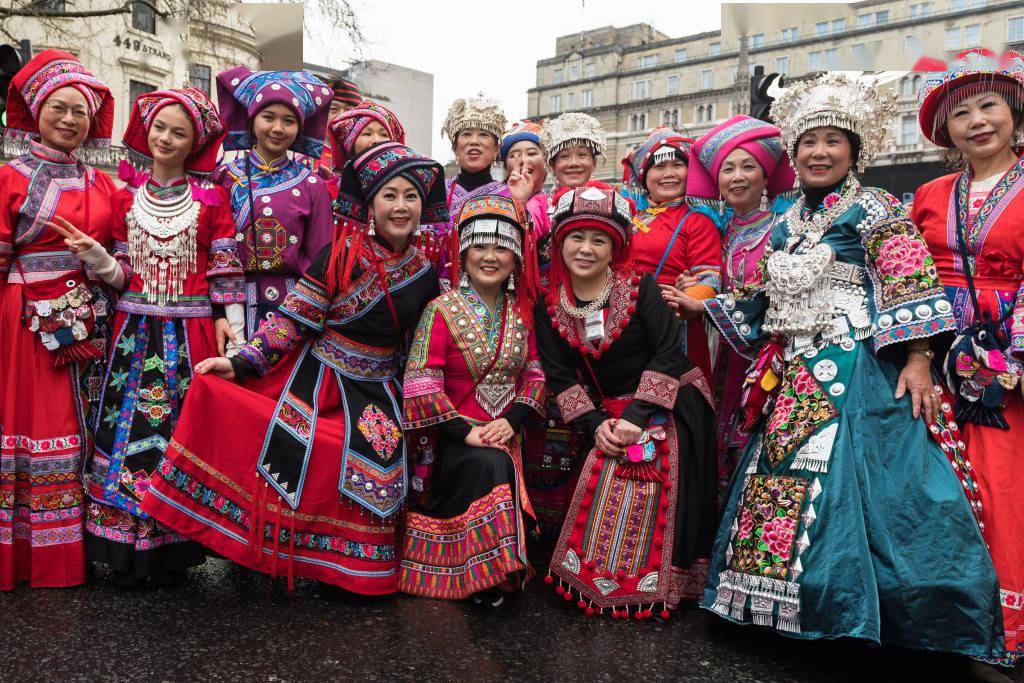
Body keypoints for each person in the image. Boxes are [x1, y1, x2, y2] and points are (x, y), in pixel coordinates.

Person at [700, 72, 1003, 664]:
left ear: (855, 152)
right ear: (794, 154)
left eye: (833, 142)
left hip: (862, 366)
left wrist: (919, 358)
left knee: (887, 487)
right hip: (797, 369)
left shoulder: (876, 208)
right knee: (787, 475)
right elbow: (762, 299)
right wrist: (708, 304)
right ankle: (787, 608)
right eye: (808, 143)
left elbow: (910, 280)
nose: (819, 153)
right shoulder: (788, 222)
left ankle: (875, 619)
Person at [140, 142, 445, 595]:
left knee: (380, 458)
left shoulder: (426, 273)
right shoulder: (339, 255)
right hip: (320, 379)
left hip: (382, 387)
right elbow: (291, 321)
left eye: (411, 197)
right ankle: (310, 561)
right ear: (370, 205)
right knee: (304, 441)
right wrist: (241, 362)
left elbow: (424, 344)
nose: (400, 207)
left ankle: (354, 571)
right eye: (389, 195)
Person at [78, 87, 244, 588]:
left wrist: (231, 328)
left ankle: (172, 549)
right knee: (121, 429)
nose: (167, 138)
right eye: (160, 129)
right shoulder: (124, 196)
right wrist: (98, 258)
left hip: (190, 331)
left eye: (180, 132)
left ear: (195, 141)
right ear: (145, 133)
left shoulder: (212, 197)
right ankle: (122, 546)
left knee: (180, 430)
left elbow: (226, 270)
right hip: (133, 332)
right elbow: (123, 272)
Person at [535, 185, 716, 619]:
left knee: (646, 460)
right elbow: (560, 376)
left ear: (615, 248)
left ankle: (661, 582)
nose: (586, 249)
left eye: (599, 240)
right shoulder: (549, 306)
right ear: (559, 244)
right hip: (609, 411)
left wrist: (637, 416)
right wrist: (594, 423)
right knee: (607, 458)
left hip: (671, 398)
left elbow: (671, 352)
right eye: (576, 238)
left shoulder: (641, 287)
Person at [913, 48, 1024, 667]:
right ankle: (943, 618)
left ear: (1013, 112)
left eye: (989, 106)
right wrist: (918, 354)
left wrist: (1017, 356)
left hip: (1006, 361)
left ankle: (1005, 628)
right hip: (935, 352)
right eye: (962, 113)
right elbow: (906, 279)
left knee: (1004, 484)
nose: (977, 121)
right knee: (936, 484)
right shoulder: (929, 193)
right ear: (946, 129)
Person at [0, 50, 119, 590]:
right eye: (59, 108)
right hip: (25, 322)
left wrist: (102, 264)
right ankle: (32, 557)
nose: (70, 120)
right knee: (39, 425)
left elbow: (125, 258)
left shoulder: (106, 186)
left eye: (81, 113)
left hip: (91, 321)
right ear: (36, 110)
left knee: (84, 427)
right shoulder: (8, 178)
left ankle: (77, 551)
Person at [400, 194, 545, 607]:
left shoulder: (523, 312)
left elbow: (535, 374)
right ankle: (486, 572)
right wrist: (467, 432)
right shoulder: (439, 310)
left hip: (504, 432)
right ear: (463, 254)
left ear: (516, 258)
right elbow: (420, 383)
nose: (490, 256)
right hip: (453, 437)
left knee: (499, 455)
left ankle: (492, 569)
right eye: (480, 246)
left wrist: (512, 421)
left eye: (501, 247)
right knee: (492, 460)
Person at [683, 114, 796, 497]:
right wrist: (695, 286)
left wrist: (711, 307)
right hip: (725, 359)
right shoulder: (716, 230)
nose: (737, 176)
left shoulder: (787, 225)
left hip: (775, 356)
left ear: (766, 178)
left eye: (748, 166)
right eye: (728, 168)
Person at [522, 111, 611, 537]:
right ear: (551, 164)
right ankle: (542, 514)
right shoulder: (539, 205)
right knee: (550, 396)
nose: (574, 163)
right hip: (547, 308)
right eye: (564, 157)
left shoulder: (616, 200)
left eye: (583, 154)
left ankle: (582, 509)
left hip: (599, 311)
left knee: (591, 392)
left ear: (596, 160)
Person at [213, 67, 335, 341]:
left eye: (289, 121)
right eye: (269, 117)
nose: (278, 128)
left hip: (292, 308)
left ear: (299, 128)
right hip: (233, 306)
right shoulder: (223, 178)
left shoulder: (312, 185)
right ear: (253, 120)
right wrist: (217, 314)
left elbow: (321, 260)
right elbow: (210, 249)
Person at [622, 126, 722, 380]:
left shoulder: (697, 220)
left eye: (677, 165)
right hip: (628, 326)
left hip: (674, 325)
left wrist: (687, 299)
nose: (668, 174)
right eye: (658, 167)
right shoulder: (630, 219)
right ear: (645, 176)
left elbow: (710, 276)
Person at [427, 96, 509, 278]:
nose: (474, 141)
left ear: (496, 149)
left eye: (484, 134)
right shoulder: (436, 192)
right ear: (455, 146)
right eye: (466, 134)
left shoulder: (508, 196)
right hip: (438, 293)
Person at [501, 120, 550, 241]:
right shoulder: (494, 202)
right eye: (513, 156)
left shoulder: (556, 202)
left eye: (532, 153)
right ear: (506, 167)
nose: (523, 160)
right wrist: (520, 203)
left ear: (547, 163)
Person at [318, 76, 362, 172]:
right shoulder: (307, 159)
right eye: (333, 109)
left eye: (350, 111)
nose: (341, 116)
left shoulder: (363, 158)